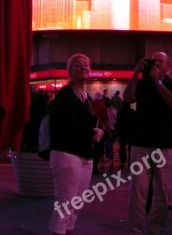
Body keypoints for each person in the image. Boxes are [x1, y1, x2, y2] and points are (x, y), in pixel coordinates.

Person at [123, 52, 172, 235]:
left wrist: (157, 81)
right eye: (153, 60)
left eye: (160, 61)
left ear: (166, 65)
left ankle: (156, 229)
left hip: (165, 144)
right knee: (138, 192)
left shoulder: (171, 83)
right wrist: (135, 73)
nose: (156, 63)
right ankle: (136, 230)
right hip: (141, 143)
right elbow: (127, 97)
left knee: (161, 192)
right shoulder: (141, 83)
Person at [48, 53, 103, 235]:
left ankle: (68, 232)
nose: (84, 68)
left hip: (85, 154)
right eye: (79, 65)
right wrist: (91, 132)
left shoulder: (85, 96)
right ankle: (58, 232)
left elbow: (89, 123)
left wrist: (99, 131)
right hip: (67, 153)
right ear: (70, 70)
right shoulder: (66, 94)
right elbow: (66, 122)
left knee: (76, 203)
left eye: (86, 65)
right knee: (66, 202)